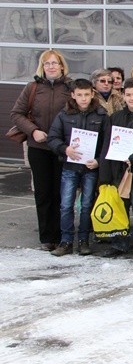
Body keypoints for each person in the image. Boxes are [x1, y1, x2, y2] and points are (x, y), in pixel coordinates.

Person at [10, 49, 72, 251]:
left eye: (55, 63)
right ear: (42, 67)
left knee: (62, 194)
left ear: (62, 65)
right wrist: (33, 130)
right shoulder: (32, 88)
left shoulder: (70, 87)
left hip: (62, 149)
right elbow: (17, 114)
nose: (51, 66)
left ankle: (64, 234)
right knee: (44, 192)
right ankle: (47, 237)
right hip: (39, 148)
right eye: (47, 63)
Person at [47, 78, 109, 257]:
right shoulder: (64, 115)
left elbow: (107, 143)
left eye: (87, 94)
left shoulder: (101, 115)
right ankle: (66, 241)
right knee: (66, 205)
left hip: (90, 168)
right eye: (79, 95)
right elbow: (53, 138)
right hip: (70, 166)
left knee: (87, 204)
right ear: (73, 95)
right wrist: (65, 149)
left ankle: (83, 240)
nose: (83, 98)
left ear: (92, 94)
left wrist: (98, 160)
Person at [98, 78, 133, 260]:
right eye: (128, 94)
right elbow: (107, 146)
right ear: (123, 95)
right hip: (118, 171)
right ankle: (119, 243)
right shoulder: (116, 117)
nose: (132, 98)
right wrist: (105, 175)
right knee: (120, 208)